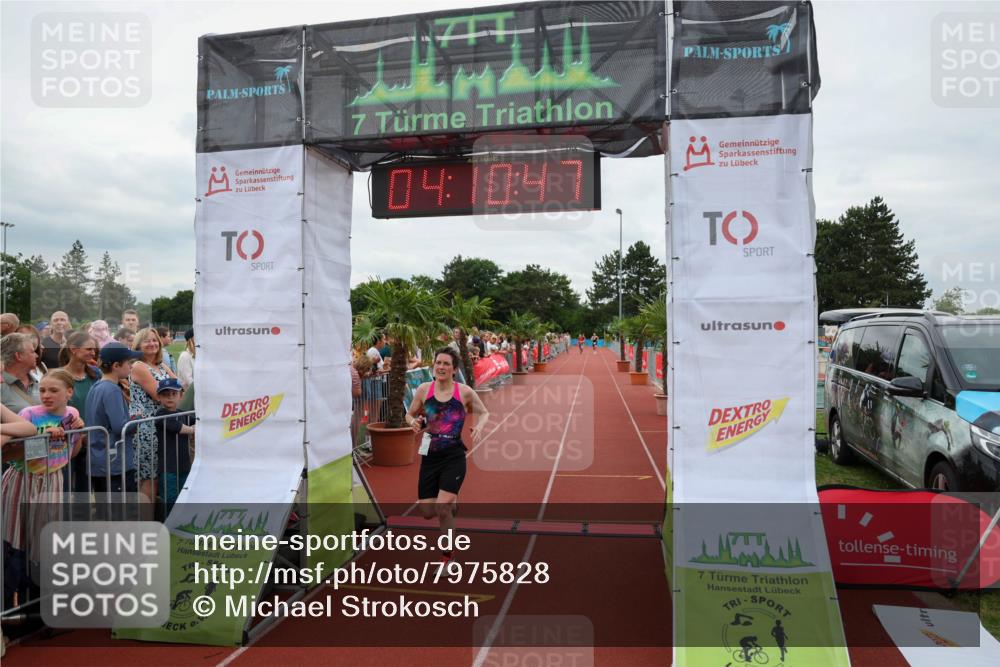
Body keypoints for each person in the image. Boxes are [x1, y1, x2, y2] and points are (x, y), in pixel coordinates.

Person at [3, 370, 84, 605]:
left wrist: (78, 434)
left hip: (53, 480)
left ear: (69, 392)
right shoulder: (28, 415)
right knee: (13, 538)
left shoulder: (72, 414)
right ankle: (8, 599)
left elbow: (72, 452)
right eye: (42, 390)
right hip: (23, 480)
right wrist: (41, 438)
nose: (46, 395)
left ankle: (36, 599)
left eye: (53, 390)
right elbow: (9, 454)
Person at [405, 347, 489, 563]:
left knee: (442, 508)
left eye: (446, 364)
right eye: (438, 363)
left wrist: (479, 426)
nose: (441, 367)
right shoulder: (424, 390)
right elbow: (409, 413)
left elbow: (484, 412)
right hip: (429, 455)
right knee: (427, 512)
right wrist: (413, 422)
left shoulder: (464, 392)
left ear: (454, 369)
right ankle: (452, 503)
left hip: (453, 455)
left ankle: (447, 557)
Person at [85, 342, 143, 494]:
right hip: (114, 463)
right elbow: (120, 427)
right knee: (121, 507)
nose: (131, 367)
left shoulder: (96, 386)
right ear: (116, 365)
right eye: (129, 363)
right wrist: (139, 419)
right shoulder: (112, 390)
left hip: (100, 459)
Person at [130, 327, 177, 502]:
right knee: (149, 479)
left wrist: (176, 395)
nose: (152, 343)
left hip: (163, 425)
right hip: (147, 428)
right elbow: (160, 396)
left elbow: (179, 388)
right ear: (138, 345)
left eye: (154, 340)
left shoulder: (161, 365)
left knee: (160, 476)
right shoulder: (139, 367)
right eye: (147, 340)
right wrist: (174, 396)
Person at [58, 331, 102, 493]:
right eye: (89, 349)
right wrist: (76, 434)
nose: (93, 353)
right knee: (64, 487)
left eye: (94, 350)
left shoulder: (96, 374)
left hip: (92, 439)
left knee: (85, 489)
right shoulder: (59, 376)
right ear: (73, 349)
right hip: (66, 441)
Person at [152, 377, 193, 514]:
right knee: (170, 499)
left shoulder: (183, 413)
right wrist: (193, 429)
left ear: (181, 396)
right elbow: (177, 427)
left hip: (184, 465)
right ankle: (169, 523)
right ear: (159, 397)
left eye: (174, 394)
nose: (170, 397)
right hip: (168, 467)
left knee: (184, 498)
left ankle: (181, 523)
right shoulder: (161, 414)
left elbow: (198, 420)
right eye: (165, 394)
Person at [1, 333, 40, 414]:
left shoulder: (39, 382)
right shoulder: (1, 386)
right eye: (32, 352)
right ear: (18, 356)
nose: (36, 355)